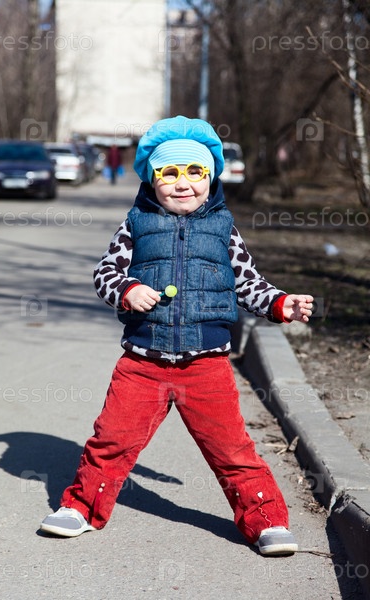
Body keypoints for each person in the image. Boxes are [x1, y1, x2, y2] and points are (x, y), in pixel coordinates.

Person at [40, 115, 313, 556]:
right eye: (169, 173)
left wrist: (281, 304)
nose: (182, 183)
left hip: (206, 365)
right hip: (142, 363)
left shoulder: (224, 229)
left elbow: (247, 283)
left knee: (232, 449)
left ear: (211, 177)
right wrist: (127, 290)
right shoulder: (136, 224)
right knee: (112, 439)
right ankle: (81, 506)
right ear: (152, 179)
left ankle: (266, 520)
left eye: (194, 172)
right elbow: (105, 273)